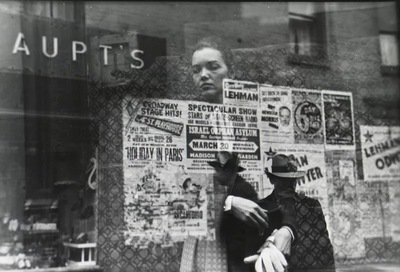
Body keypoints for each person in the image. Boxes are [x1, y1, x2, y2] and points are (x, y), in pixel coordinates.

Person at [244, 154, 335, 272]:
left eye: (292, 179)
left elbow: (325, 251)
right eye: (283, 179)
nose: (289, 184)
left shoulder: (312, 206)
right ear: (272, 179)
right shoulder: (261, 209)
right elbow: (252, 251)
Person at [208, 152, 296, 272]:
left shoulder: (241, 189)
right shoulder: (234, 189)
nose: (215, 175)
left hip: (243, 261)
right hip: (237, 258)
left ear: (228, 171)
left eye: (218, 170)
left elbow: (260, 223)